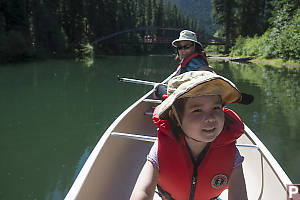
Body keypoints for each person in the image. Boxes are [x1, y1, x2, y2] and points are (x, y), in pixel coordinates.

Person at [130, 71, 248, 200]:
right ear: (177, 119)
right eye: (197, 110)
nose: (210, 118)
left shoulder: (231, 155)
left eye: (216, 108)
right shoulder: (160, 150)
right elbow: (144, 191)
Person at [155, 30, 254, 105]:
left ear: (194, 46)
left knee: (158, 87)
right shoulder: (191, 60)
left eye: (186, 47)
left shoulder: (196, 62)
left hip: (183, 98)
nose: (182, 50)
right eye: (180, 47)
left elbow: (209, 73)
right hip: (185, 95)